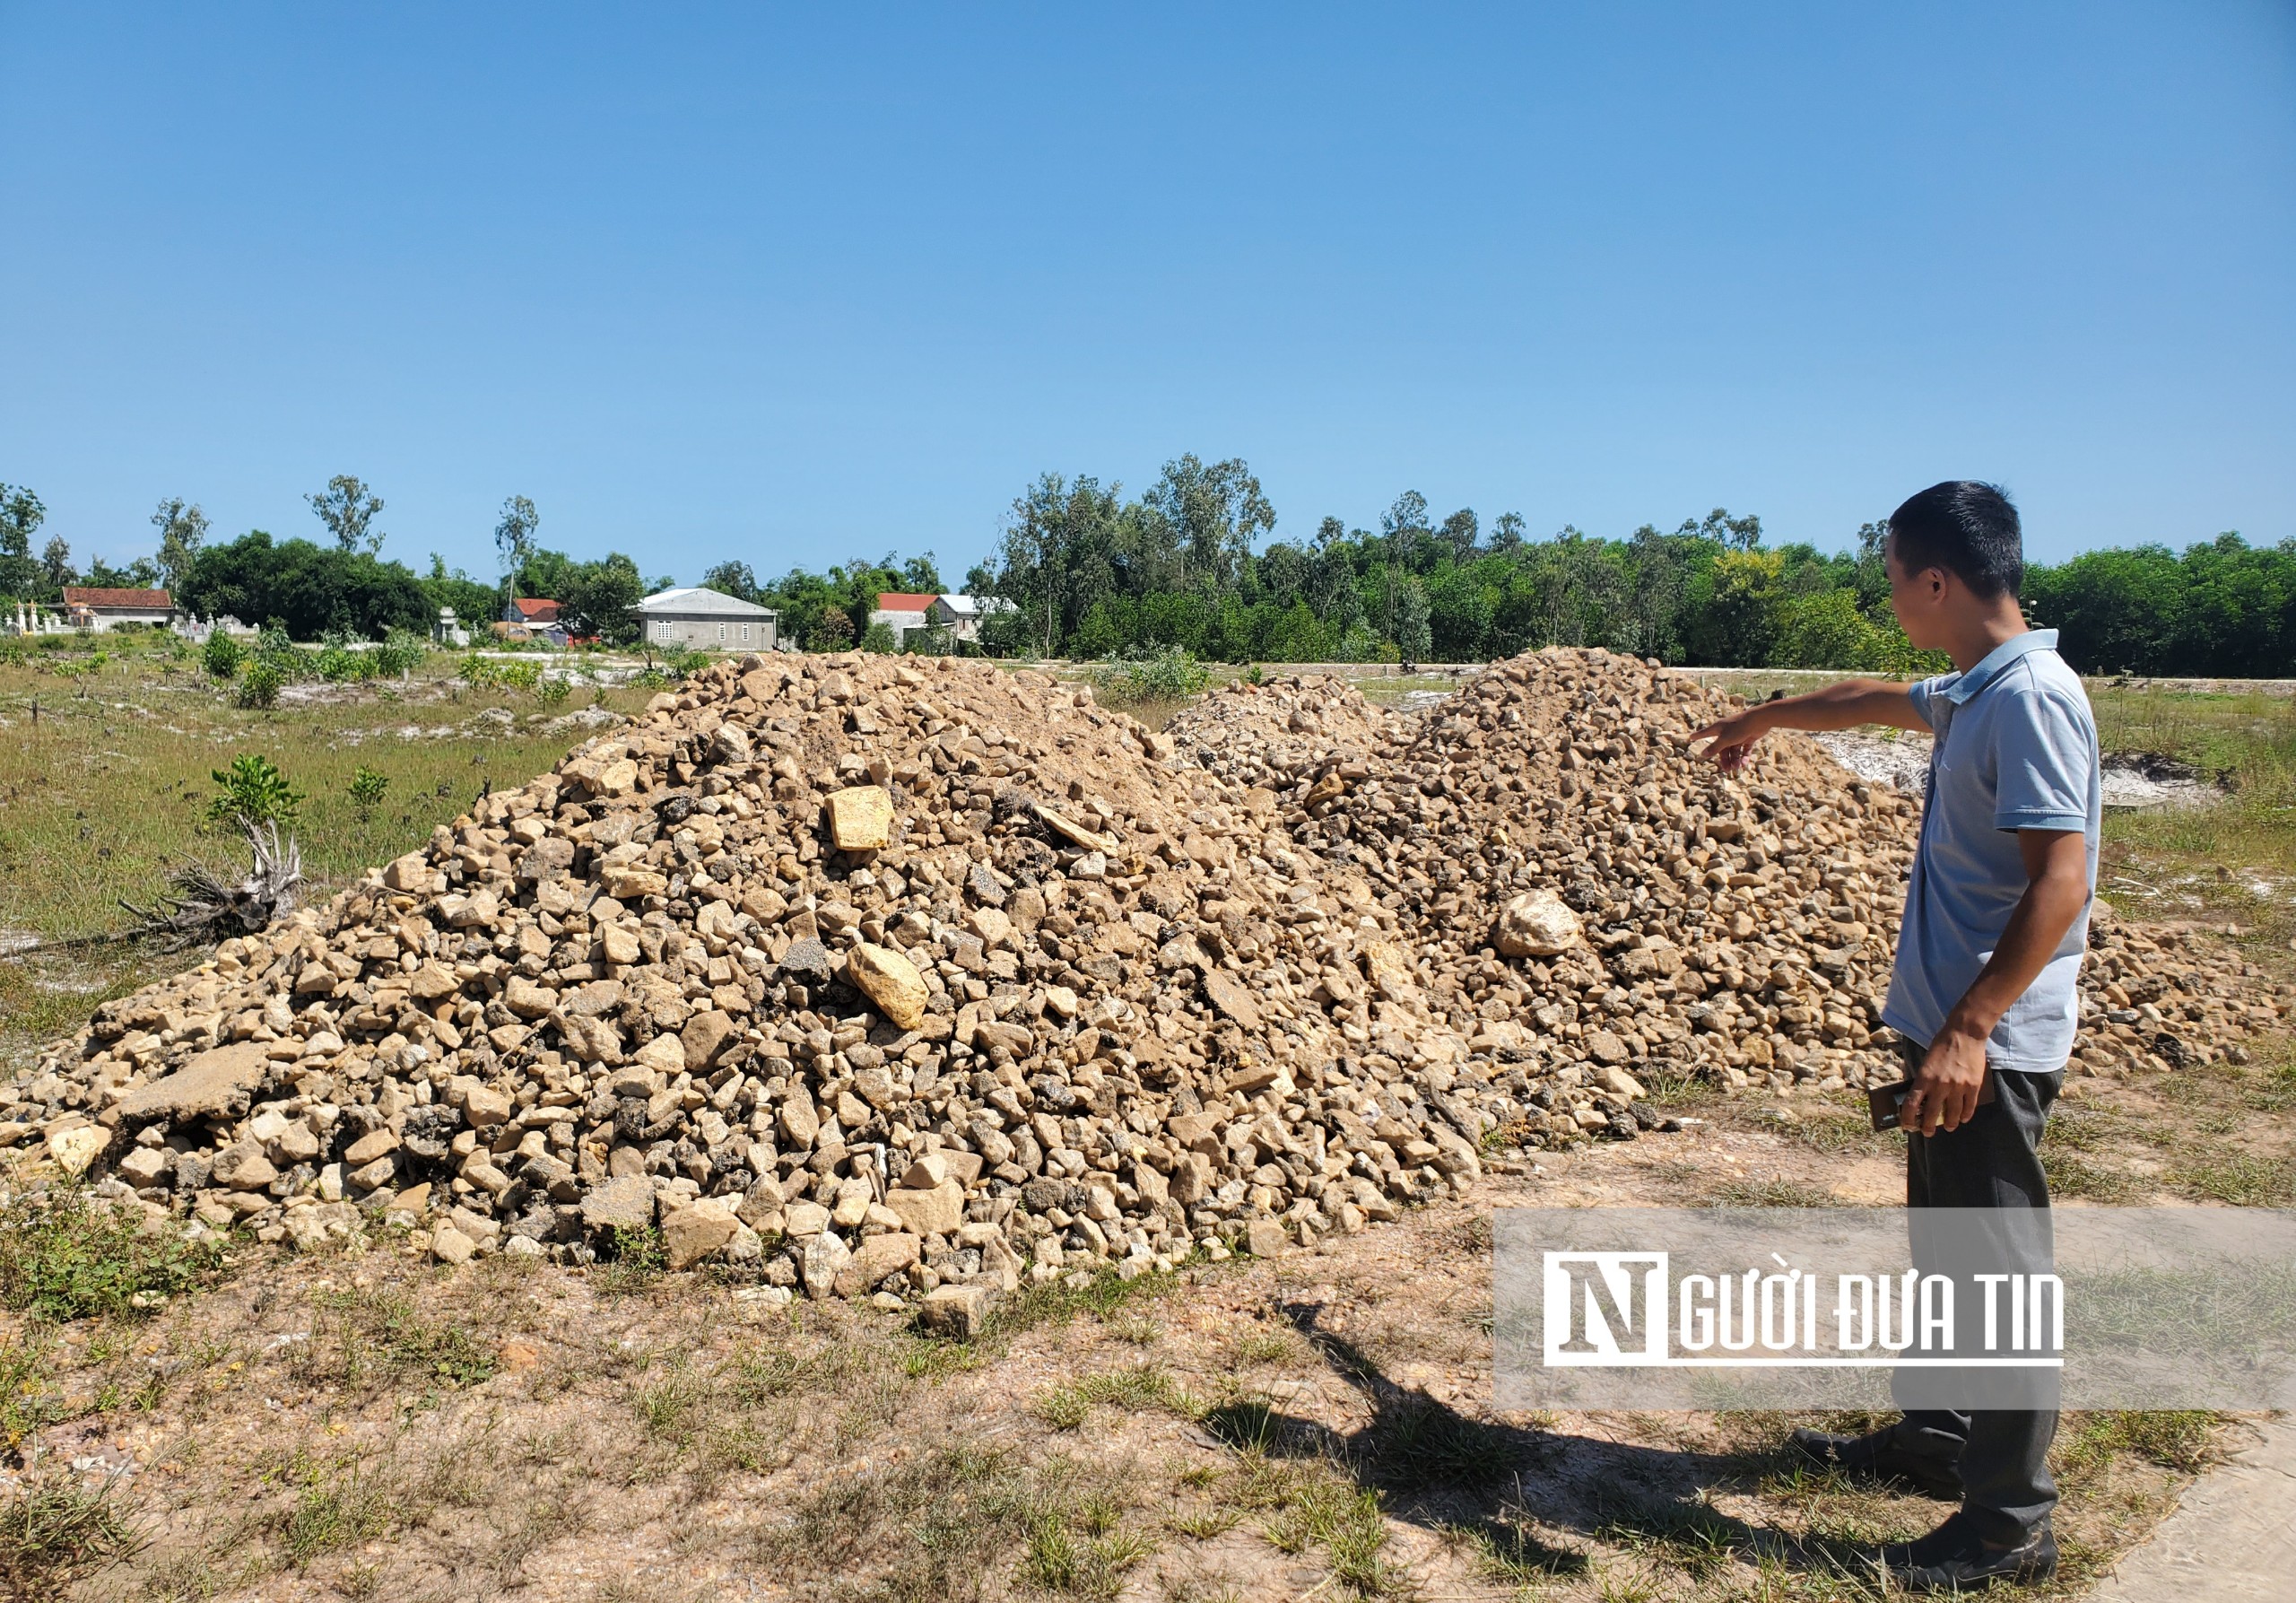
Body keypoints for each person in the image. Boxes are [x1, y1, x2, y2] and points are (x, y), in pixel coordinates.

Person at [1690, 481, 2099, 1591]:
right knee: (1949, 1250)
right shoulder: (1976, 685)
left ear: (1938, 581)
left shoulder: (2031, 700)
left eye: (1891, 579)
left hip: (1988, 1045)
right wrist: (1767, 715)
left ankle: (2010, 1526)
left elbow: (2061, 881)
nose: (1886, 598)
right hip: (1944, 1036)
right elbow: (1876, 698)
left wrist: (1970, 1025)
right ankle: (1940, 1432)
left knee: (1999, 1274)